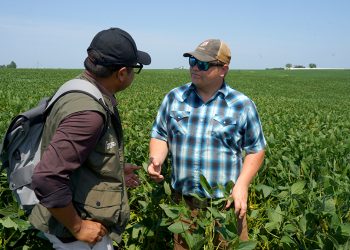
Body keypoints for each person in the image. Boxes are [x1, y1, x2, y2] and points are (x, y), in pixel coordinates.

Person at [29, 27, 151, 250]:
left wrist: (112, 170)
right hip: (75, 232)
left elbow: (75, 156)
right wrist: (78, 227)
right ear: (122, 73)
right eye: (135, 69)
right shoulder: (88, 114)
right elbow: (47, 177)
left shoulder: (78, 87)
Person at [148, 39, 266, 249]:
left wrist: (242, 185)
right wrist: (156, 158)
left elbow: (256, 149)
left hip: (225, 204)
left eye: (202, 64)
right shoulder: (175, 97)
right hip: (184, 204)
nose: (194, 67)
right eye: (192, 61)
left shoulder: (242, 104)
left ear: (223, 70)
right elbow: (160, 134)